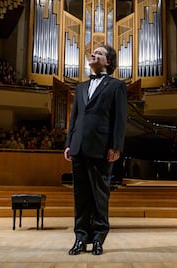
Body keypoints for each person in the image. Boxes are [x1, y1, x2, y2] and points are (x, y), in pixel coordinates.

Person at [63, 45, 127, 256]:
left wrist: (116, 146)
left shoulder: (116, 86)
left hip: (101, 148)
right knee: (80, 196)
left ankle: (99, 238)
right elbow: (74, 118)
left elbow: (119, 119)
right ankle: (80, 237)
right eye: (93, 52)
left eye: (99, 53)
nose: (93, 54)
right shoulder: (81, 87)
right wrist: (69, 142)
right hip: (79, 147)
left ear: (108, 62)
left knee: (100, 196)